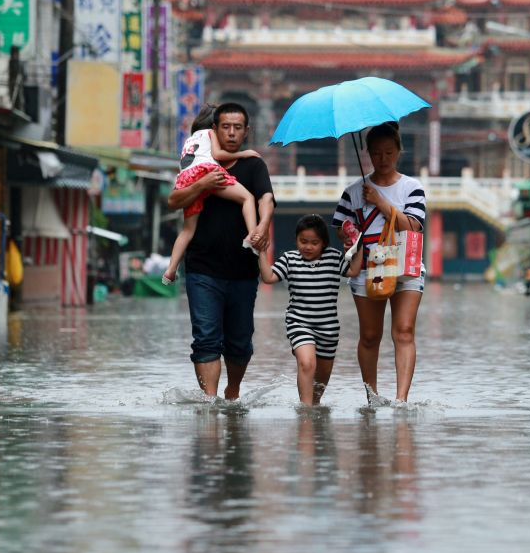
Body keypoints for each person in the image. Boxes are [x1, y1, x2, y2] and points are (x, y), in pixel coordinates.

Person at [167, 102, 276, 399]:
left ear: (246, 131)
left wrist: (263, 224)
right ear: (213, 131)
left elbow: (266, 198)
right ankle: (210, 402)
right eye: (225, 127)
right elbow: (174, 201)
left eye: (237, 128)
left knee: (240, 342)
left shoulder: (253, 165)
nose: (230, 133)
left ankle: (233, 391)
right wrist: (201, 184)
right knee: (205, 338)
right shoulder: (195, 167)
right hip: (202, 269)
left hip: (242, 270)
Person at [332, 122, 425, 403]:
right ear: (368, 154)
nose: (383, 159)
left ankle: (401, 399)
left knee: (404, 331)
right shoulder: (353, 191)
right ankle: (372, 397)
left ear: (398, 151)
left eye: (388, 152)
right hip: (368, 268)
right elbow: (341, 227)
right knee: (370, 335)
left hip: (405, 266)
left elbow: (413, 226)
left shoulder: (412, 187)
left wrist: (381, 202)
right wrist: (349, 233)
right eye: (376, 153)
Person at [257, 214, 363, 406]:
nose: (308, 247)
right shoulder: (290, 259)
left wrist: (360, 246)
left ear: (323, 243)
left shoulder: (333, 257)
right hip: (299, 323)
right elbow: (269, 277)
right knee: (307, 363)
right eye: (303, 241)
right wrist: (262, 252)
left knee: (321, 378)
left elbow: (353, 271)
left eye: (314, 243)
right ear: (296, 239)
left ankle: (314, 406)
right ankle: (305, 412)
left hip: (328, 329)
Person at [162, 104, 261, 284]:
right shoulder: (211, 132)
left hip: (185, 179)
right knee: (247, 198)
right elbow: (218, 154)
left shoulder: (190, 139)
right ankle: (251, 235)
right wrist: (243, 154)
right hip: (206, 172)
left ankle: (170, 269)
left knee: (187, 230)